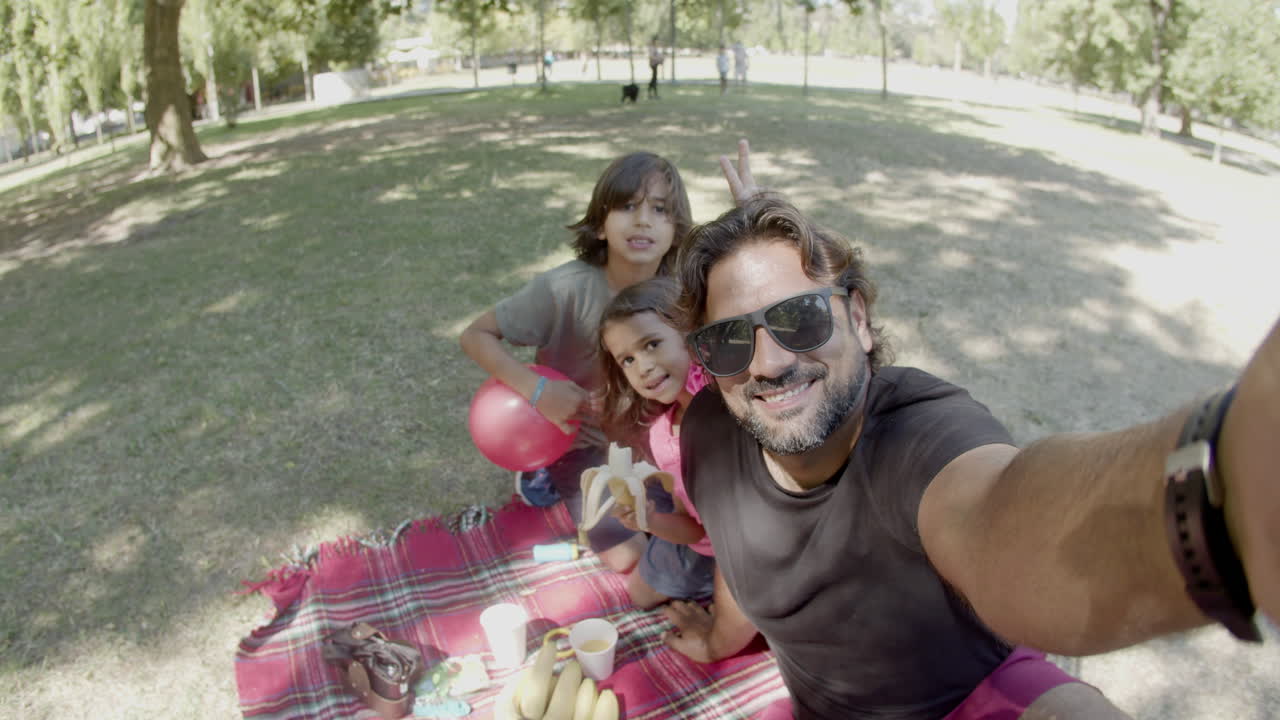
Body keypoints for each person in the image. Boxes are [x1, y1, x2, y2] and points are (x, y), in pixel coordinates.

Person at [660, 140, 1280, 719]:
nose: (768, 364)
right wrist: (719, 640)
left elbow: (1001, 513)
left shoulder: (920, 438)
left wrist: (1225, 491)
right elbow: (742, 562)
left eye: (800, 318)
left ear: (859, 319)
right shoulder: (711, 436)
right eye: (731, 338)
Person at [459, 152, 694, 574]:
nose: (643, 221)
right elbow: (475, 335)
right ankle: (542, 474)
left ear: (676, 230)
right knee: (629, 559)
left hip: (656, 440)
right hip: (581, 442)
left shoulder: (683, 291)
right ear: (600, 223)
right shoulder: (563, 288)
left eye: (660, 210)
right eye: (627, 206)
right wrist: (538, 391)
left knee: (696, 534)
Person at [597, 277, 716, 609]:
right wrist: (648, 521)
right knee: (640, 594)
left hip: (759, 550)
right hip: (708, 548)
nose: (643, 367)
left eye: (651, 344)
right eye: (628, 360)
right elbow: (693, 530)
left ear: (688, 333)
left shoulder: (728, 395)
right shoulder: (661, 436)